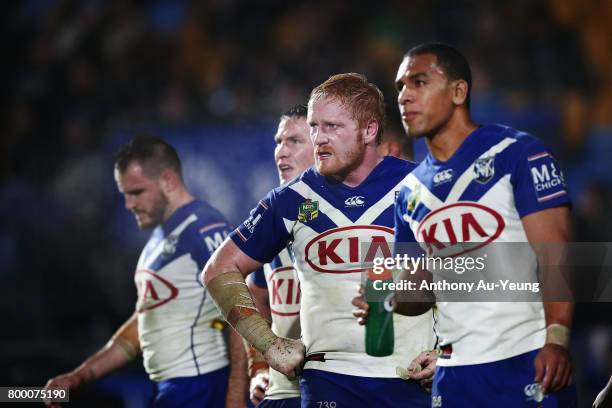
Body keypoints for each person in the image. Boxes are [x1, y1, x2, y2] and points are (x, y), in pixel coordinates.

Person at [354, 42, 577, 406]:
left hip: (527, 360)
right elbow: (419, 291)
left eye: (419, 82)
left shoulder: (516, 153)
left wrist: (557, 339)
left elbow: (558, 255)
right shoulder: (408, 193)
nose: (405, 96)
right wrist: (387, 299)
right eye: (400, 87)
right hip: (455, 374)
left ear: (458, 91)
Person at [202, 73, 435, 408]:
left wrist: (447, 350)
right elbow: (218, 270)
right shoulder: (290, 199)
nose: (319, 139)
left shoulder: (419, 184)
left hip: (412, 380)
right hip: (329, 382)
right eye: (314, 127)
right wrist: (268, 345)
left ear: (369, 131)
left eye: (332, 127)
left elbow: (477, 267)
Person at [44, 136, 247, 407]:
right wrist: (79, 376)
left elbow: (244, 308)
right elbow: (142, 325)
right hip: (170, 389)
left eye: (137, 192)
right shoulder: (156, 242)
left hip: (201, 387)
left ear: (168, 181)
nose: (129, 204)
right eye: (124, 193)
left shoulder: (203, 226)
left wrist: (235, 396)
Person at [246, 104, 314, 407]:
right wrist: (259, 365)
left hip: (338, 381)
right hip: (283, 391)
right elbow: (253, 295)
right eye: (278, 142)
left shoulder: (349, 214)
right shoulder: (273, 216)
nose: (281, 152)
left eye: (294, 141)